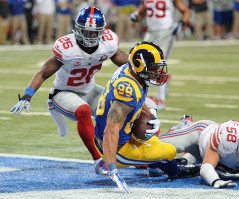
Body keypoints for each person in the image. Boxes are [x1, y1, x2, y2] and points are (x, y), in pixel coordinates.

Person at [10, 6, 128, 175]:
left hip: (89, 89)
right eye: (86, 32)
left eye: (94, 33)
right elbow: (43, 73)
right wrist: (27, 96)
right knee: (83, 110)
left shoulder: (108, 44)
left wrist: (140, 68)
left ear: (102, 31)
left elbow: (128, 64)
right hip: (63, 92)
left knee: (121, 107)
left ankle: (132, 154)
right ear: (77, 29)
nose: (90, 36)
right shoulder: (67, 47)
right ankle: (98, 161)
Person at [94, 41, 197, 193]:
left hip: (118, 134)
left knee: (152, 118)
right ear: (139, 65)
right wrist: (112, 169)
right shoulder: (128, 89)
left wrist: (150, 114)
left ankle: (153, 165)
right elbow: (110, 131)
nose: (157, 72)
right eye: (154, 68)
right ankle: (175, 172)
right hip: (117, 149)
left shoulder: (130, 71)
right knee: (169, 151)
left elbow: (138, 98)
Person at [158, 116, 239, 188]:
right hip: (199, 134)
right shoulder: (226, 139)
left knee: (168, 168)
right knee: (153, 149)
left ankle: (188, 160)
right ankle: (185, 125)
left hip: (205, 156)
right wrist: (216, 181)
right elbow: (206, 167)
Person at [130, 0, 191, 110]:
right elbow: (142, 12)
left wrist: (181, 24)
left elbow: (186, 11)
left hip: (166, 32)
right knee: (141, 62)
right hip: (151, 32)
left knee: (159, 63)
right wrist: (135, 16)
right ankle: (146, 91)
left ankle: (161, 99)